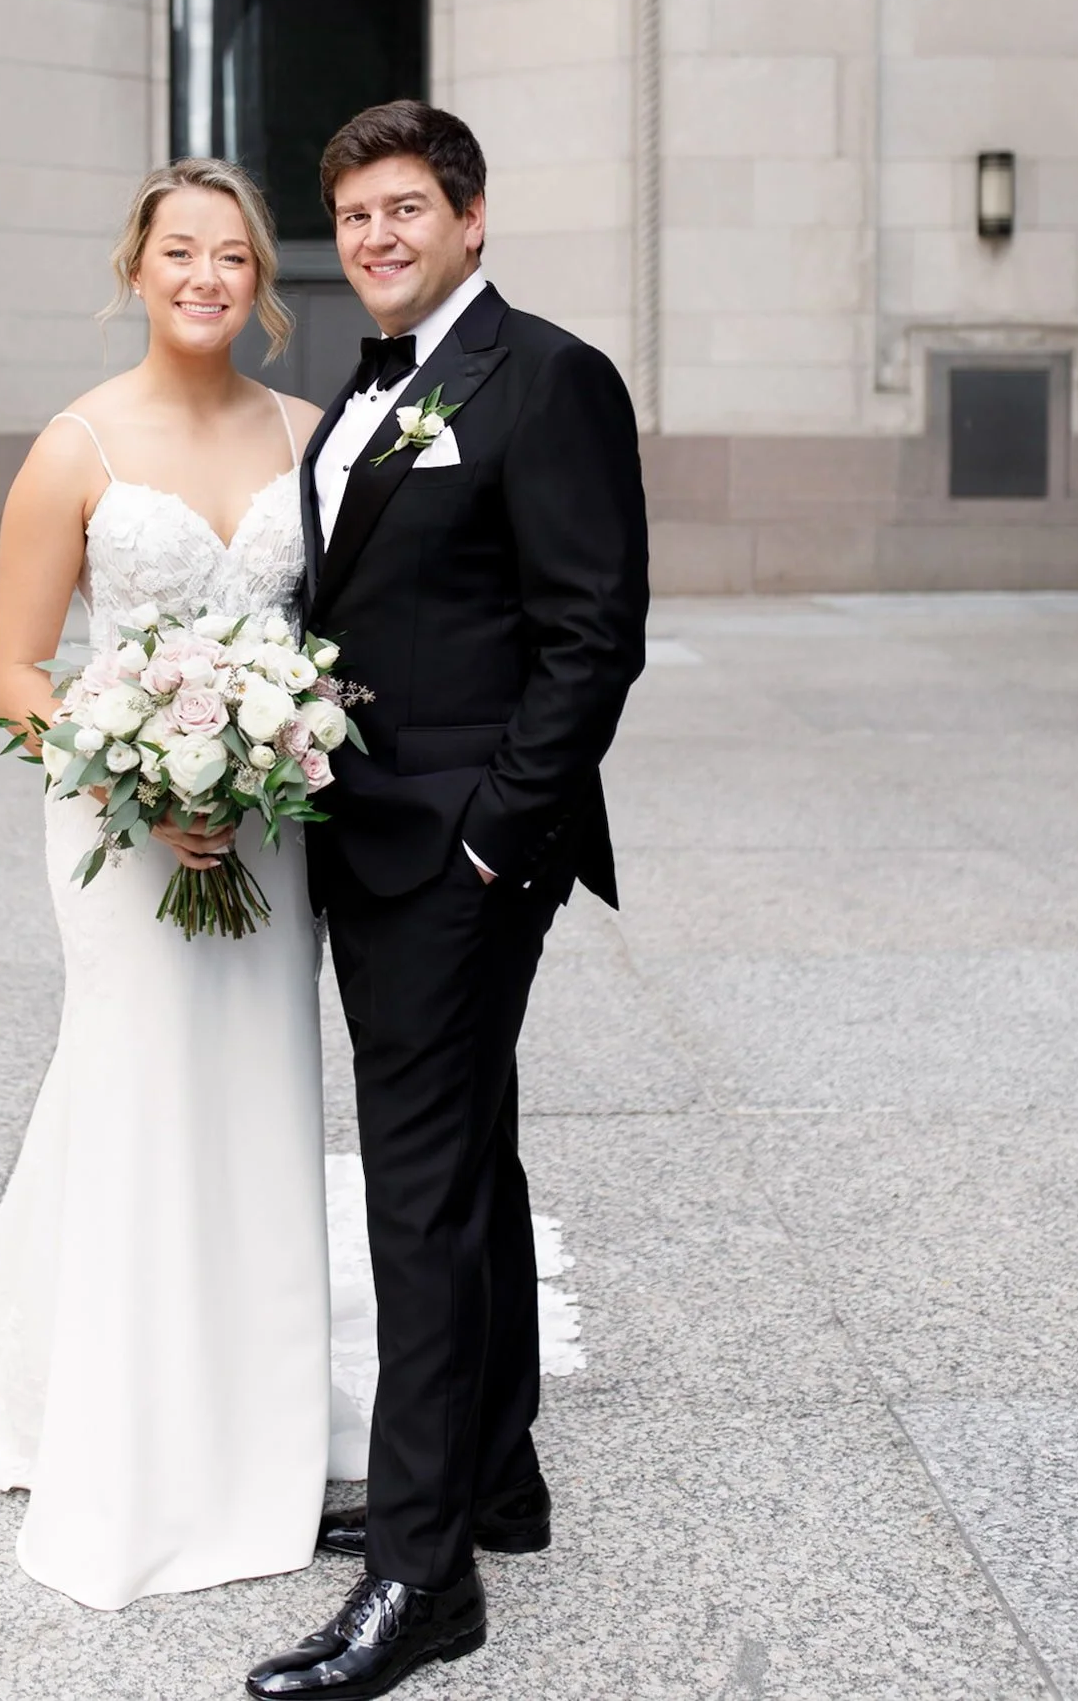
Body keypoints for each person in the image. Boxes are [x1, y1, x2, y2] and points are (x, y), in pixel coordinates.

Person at [246, 101, 648, 1700]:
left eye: (407, 210)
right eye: (354, 218)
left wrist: (493, 838)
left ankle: (425, 1578)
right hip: (372, 834)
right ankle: (494, 1481)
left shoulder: (546, 377)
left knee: (411, 1193)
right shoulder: (369, 383)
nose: (378, 240)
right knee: (467, 1149)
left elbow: (592, 629)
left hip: (458, 857)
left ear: (474, 219)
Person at [0, 158, 335, 1613]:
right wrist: (138, 781)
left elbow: (333, 641)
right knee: (142, 1079)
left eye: (233, 256)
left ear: (260, 281)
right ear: (136, 270)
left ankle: (257, 1403)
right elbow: (17, 671)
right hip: (117, 826)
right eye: (180, 253)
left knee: (257, 1086)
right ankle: (131, 1415)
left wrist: (265, 753)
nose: (207, 277)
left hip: (273, 823)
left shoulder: (312, 438)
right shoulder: (77, 447)